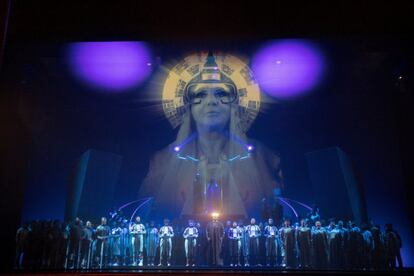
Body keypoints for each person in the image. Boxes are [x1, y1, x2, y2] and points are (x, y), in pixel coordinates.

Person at [138, 52, 283, 220]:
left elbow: (275, 206)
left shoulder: (264, 156)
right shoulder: (162, 160)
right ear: (188, 106)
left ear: (234, 105)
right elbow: (149, 211)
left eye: (221, 94)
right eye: (200, 94)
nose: (211, 102)